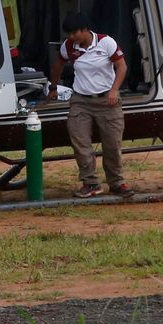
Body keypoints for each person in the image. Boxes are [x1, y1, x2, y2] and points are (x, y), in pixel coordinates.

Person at [52, 12, 134, 198]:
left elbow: (122, 67)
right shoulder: (68, 47)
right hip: (80, 100)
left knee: (112, 144)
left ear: (85, 29)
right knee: (80, 142)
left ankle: (117, 182)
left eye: (74, 33)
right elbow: (58, 63)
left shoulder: (106, 43)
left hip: (107, 100)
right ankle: (90, 183)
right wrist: (53, 86)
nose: (72, 37)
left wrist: (114, 90)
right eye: (69, 34)